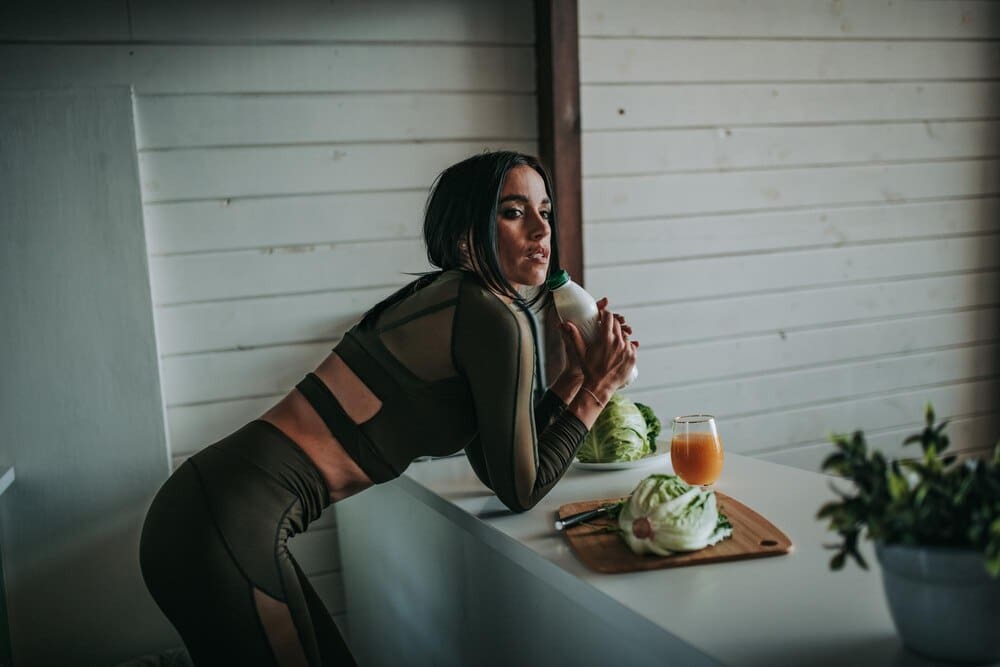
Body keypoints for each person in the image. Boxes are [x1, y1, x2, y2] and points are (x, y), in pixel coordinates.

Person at [139, 151, 639, 666]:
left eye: (545, 211)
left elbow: (500, 467)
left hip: (205, 510)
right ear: (465, 236)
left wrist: (578, 376)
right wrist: (598, 391)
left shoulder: (461, 302)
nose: (540, 228)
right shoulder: (492, 317)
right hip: (221, 523)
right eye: (513, 212)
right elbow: (522, 490)